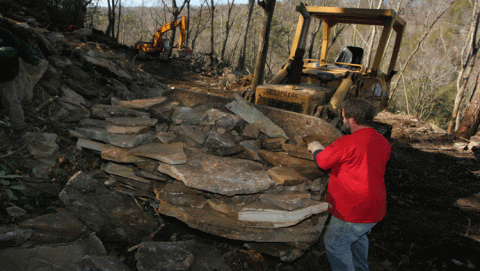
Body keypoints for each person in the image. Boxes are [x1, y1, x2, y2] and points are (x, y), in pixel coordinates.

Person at [307, 98, 391, 271]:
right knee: (357, 238)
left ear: (352, 119)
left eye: (344, 117)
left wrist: (315, 148)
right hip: (375, 207)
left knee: (334, 244)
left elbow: (322, 162)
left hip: (353, 210)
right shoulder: (383, 141)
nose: (343, 121)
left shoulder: (347, 142)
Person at [0, 27, 43, 141]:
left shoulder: (4, 34)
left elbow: (21, 46)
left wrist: (33, 58)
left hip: (5, 75)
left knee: (11, 101)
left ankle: (20, 127)